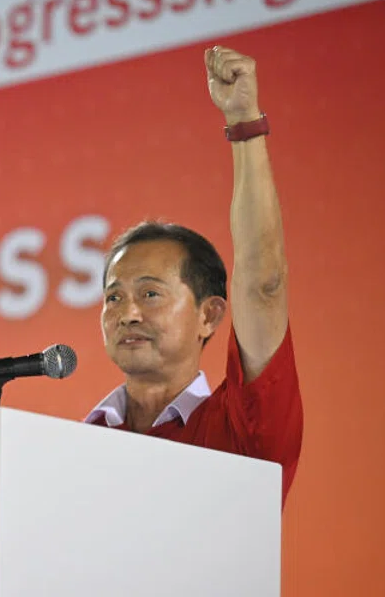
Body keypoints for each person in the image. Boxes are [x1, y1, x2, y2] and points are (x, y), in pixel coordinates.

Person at [84, 46, 304, 508]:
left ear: (209, 314)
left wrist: (244, 123)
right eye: (114, 298)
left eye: (150, 293)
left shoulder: (242, 426)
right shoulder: (79, 443)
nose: (128, 314)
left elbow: (264, 283)